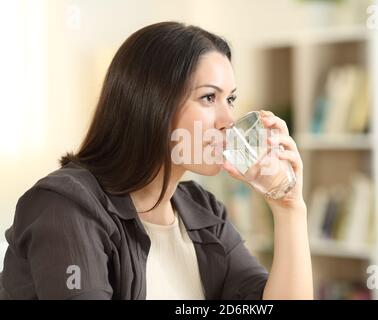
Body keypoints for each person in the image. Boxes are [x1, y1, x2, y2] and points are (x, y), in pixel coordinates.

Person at [1, 22, 313, 300]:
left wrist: (288, 208)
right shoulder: (66, 206)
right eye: (208, 98)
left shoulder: (201, 210)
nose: (228, 120)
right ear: (153, 103)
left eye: (229, 99)